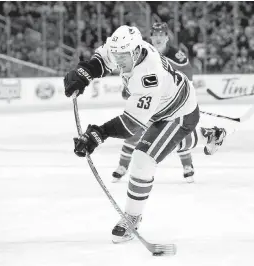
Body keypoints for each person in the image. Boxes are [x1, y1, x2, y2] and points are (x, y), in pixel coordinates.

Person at [64, 25, 227, 243]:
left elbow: (131, 125)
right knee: (161, 146)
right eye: (116, 55)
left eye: (123, 57)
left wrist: (98, 133)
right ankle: (209, 135)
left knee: (143, 158)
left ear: (135, 52)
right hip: (162, 107)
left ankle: (132, 217)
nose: (118, 61)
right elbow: (102, 60)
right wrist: (83, 73)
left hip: (179, 113)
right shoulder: (126, 48)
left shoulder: (149, 75)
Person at [112, 22, 196, 183]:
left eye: (161, 34)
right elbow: (131, 72)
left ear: (167, 37)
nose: (158, 38)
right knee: (134, 129)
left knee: (178, 133)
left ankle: (188, 165)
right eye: (155, 34)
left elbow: (188, 76)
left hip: (170, 102)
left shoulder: (176, 55)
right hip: (149, 101)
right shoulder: (142, 53)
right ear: (150, 37)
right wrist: (128, 88)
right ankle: (122, 166)